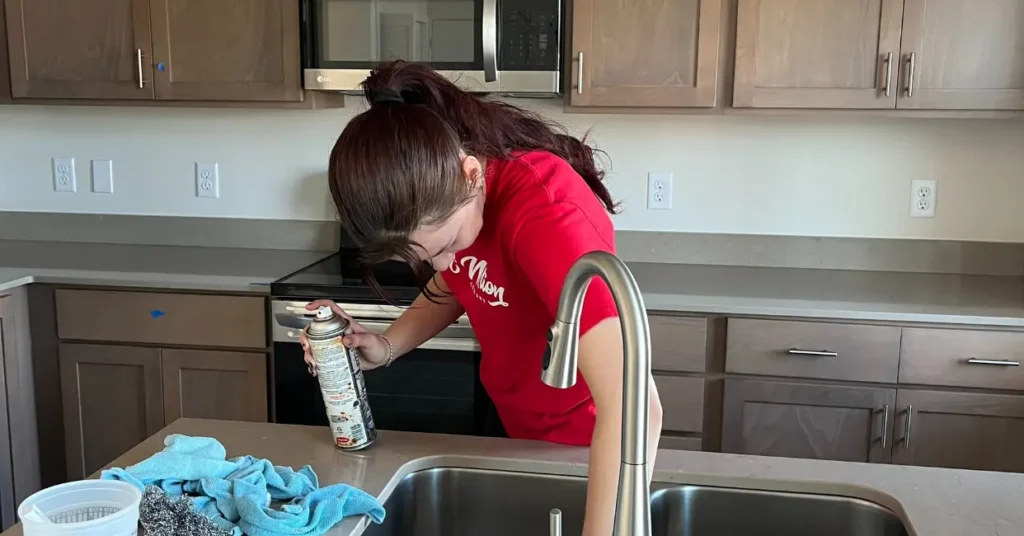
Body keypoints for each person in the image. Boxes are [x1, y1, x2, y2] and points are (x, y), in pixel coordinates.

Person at [301, 60, 663, 535]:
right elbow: (458, 279)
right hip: (520, 438)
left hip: (589, 449)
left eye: (447, 245)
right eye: (426, 258)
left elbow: (635, 407)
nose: (444, 268)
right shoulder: (456, 205)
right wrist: (385, 346)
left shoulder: (545, 214)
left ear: (471, 174)